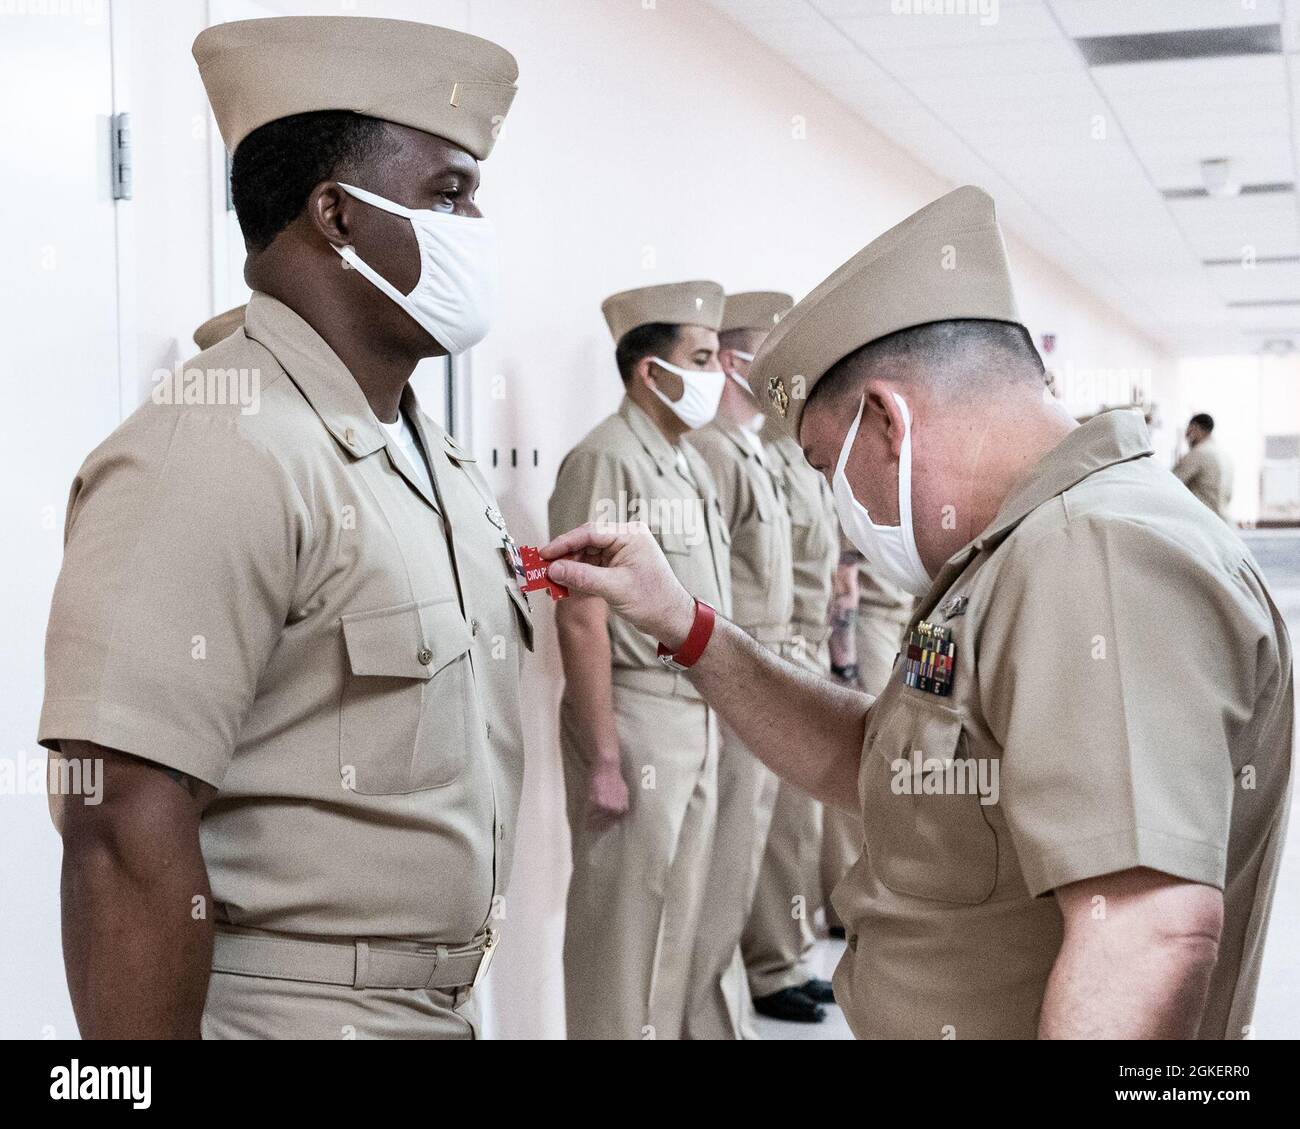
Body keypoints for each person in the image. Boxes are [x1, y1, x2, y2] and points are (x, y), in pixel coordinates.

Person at [542, 186, 1294, 1039]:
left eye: (829, 467)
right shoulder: (1019, 552)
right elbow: (878, 761)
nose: (840, 507)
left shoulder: (1098, 551)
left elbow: (1149, 938)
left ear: (888, 422)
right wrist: (687, 624)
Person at [40, 16, 529, 1039]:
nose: (477, 223)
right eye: (448, 192)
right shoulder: (215, 446)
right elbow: (118, 818)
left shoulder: (417, 452)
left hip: (437, 1003)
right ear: (337, 215)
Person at [548, 281, 732, 1040]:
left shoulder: (686, 464)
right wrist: (605, 756)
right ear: (650, 372)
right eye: (702, 357)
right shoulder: (605, 458)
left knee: (673, 927)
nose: (716, 375)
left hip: (693, 711)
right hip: (634, 711)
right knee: (620, 934)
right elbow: (582, 616)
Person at [682, 291, 794, 1038]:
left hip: (774, 656)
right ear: (733, 361)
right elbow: (709, 582)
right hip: (739, 669)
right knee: (720, 865)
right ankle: (703, 1016)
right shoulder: (715, 452)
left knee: (746, 851)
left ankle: (723, 1012)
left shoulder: (747, 446)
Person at [820, 544, 913, 940]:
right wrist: (847, 661)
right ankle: (846, 904)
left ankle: (874, 888)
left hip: (898, 618)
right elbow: (845, 573)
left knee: (891, 760)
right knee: (869, 757)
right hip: (868, 623)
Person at [1174, 412, 1235, 523]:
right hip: (1224, 522)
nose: (1186, 436)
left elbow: (1173, 484)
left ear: (1194, 428)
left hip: (1205, 522)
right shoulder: (1224, 454)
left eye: (1188, 431)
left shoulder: (1198, 453)